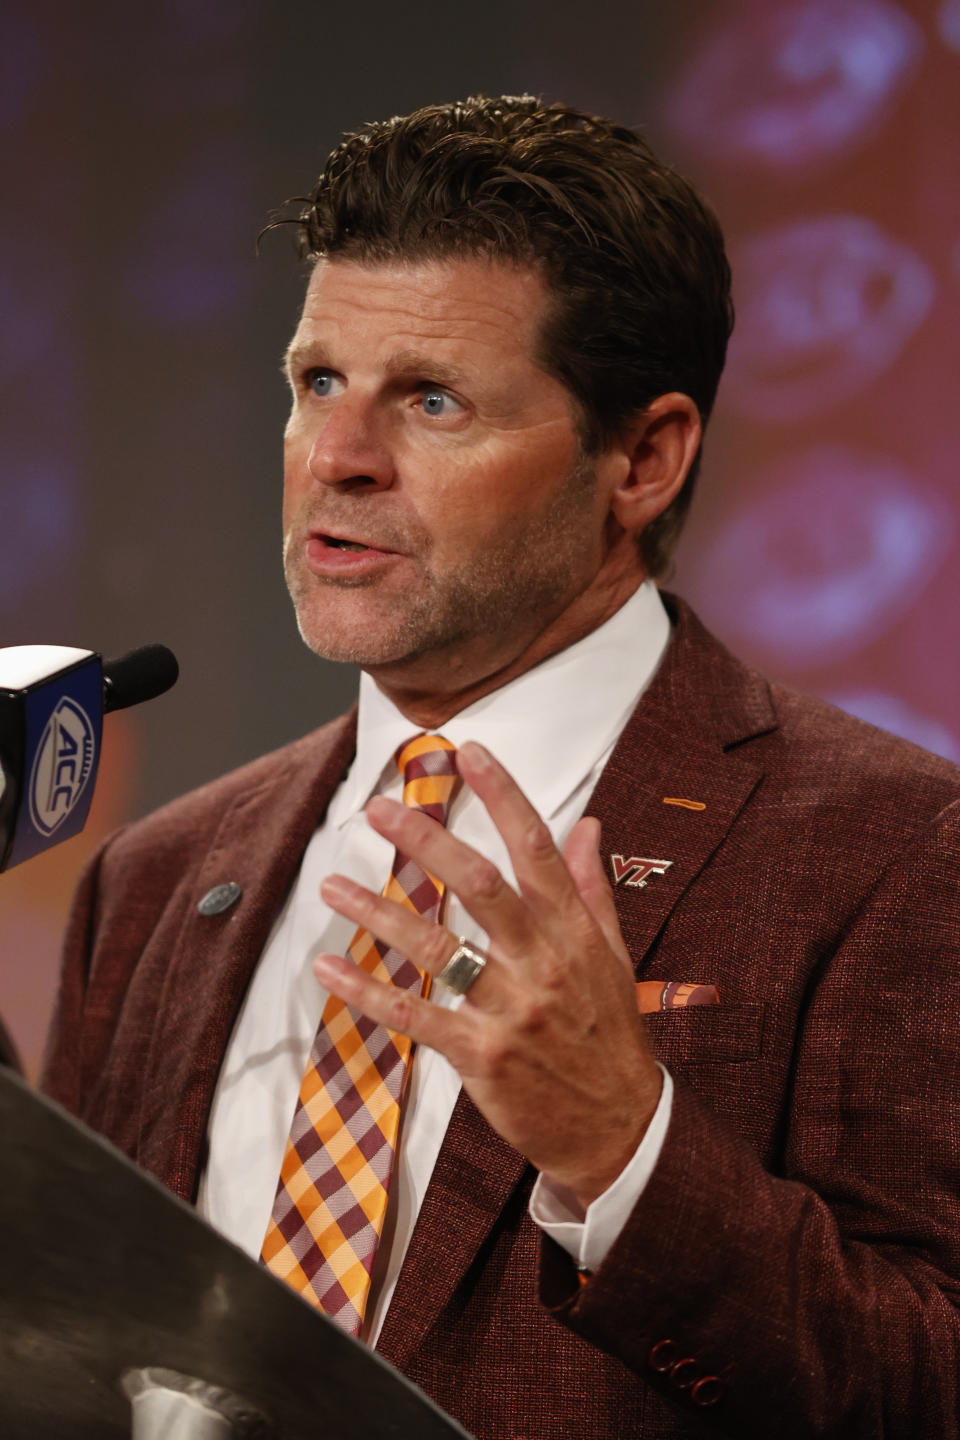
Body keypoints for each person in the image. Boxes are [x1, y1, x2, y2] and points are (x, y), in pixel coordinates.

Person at [42, 96, 960, 1438]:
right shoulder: (160, 876)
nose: (339, 462)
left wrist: (622, 1149)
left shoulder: (890, 854)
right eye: (316, 386)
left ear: (642, 458)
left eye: (432, 399)